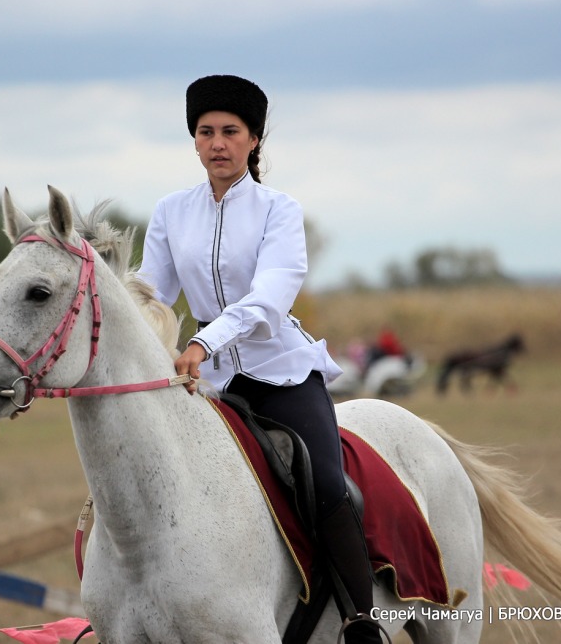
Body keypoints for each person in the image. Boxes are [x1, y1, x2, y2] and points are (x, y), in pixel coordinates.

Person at [138, 74, 385, 643]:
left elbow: (270, 297)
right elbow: (148, 298)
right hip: (205, 383)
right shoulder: (171, 212)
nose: (217, 143)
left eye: (230, 131)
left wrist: (203, 341)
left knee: (326, 484)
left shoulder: (280, 210)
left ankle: (361, 621)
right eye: (205, 132)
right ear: (193, 141)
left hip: (279, 369)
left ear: (255, 140)